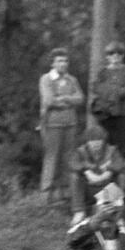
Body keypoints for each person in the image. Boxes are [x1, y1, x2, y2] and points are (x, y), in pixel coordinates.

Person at [38, 47, 84, 204]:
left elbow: (80, 98)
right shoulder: (46, 79)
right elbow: (49, 100)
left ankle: (65, 191)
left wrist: (64, 98)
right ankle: (47, 193)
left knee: (68, 156)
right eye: (59, 61)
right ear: (52, 63)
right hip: (52, 123)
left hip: (70, 122)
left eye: (65, 61)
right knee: (52, 157)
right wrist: (68, 101)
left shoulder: (72, 79)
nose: (63, 64)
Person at [69, 125, 125, 226]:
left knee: (121, 176)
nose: (96, 144)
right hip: (88, 188)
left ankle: (117, 212)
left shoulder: (112, 150)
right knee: (75, 176)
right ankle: (79, 211)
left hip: (107, 188)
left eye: (99, 141)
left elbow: (120, 164)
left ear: (103, 140)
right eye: (92, 141)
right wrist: (87, 171)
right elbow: (73, 164)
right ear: (87, 142)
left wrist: (107, 173)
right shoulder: (80, 152)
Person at [89, 41, 125, 153]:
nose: (115, 56)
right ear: (107, 56)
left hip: (123, 113)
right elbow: (95, 88)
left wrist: (108, 90)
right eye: (111, 53)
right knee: (105, 145)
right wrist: (117, 89)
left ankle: (121, 169)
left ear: (123, 55)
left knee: (124, 146)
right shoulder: (102, 72)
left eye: (119, 53)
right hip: (105, 115)